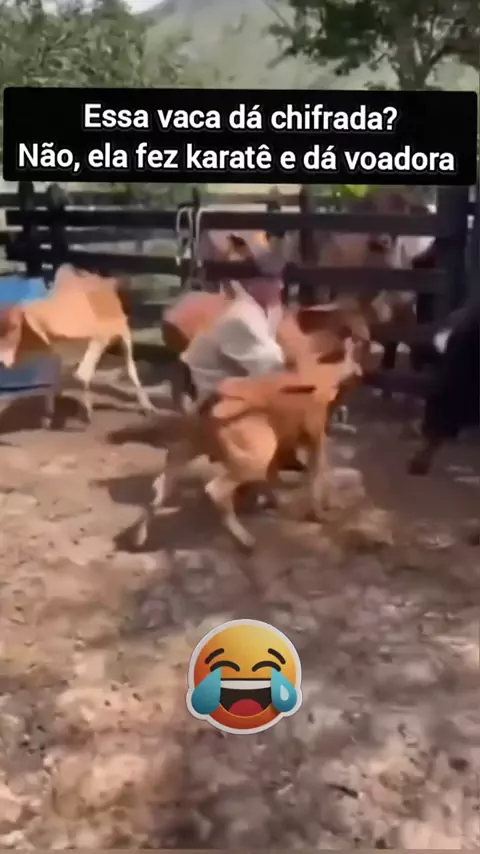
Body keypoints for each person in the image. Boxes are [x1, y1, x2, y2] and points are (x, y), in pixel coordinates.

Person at [181, 247, 286, 407]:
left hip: (236, 390)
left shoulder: (271, 310)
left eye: (280, 278)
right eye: (271, 280)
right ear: (251, 283)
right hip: (213, 400)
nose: (281, 286)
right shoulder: (239, 318)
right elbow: (270, 368)